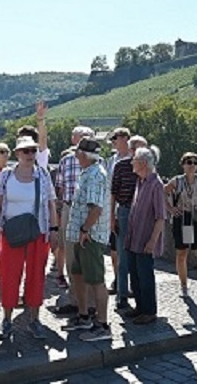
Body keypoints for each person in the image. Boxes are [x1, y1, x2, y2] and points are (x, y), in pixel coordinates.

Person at [0, 136, 59, 340]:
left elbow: (51, 204)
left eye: (32, 151)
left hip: (37, 233)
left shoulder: (43, 175)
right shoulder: (7, 175)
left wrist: (54, 230)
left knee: (36, 276)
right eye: (25, 151)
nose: (30, 154)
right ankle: (7, 319)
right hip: (11, 233)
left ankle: (34, 319)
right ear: (17, 153)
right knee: (9, 275)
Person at [61, 137, 112, 341]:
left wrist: (84, 230)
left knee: (96, 280)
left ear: (84, 155)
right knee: (79, 276)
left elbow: (96, 208)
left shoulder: (95, 175)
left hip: (89, 237)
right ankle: (84, 317)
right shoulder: (88, 173)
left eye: (77, 153)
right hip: (83, 235)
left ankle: (103, 325)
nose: (75, 156)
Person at [124, 147, 166, 325]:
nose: (132, 163)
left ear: (142, 163)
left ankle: (149, 311)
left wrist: (152, 241)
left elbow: (161, 217)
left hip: (145, 239)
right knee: (135, 275)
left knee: (145, 276)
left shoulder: (156, 185)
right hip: (134, 238)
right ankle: (140, 307)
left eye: (134, 160)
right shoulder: (139, 182)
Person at [165, 152, 197, 299]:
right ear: (183, 164)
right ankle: (184, 286)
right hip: (182, 219)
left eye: (194, 162)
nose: (192, 165)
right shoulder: (176, 181)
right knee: (182, 253)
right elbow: (161, 192)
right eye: (188, 162)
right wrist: (170, 208)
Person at [53, 125, 95, 299]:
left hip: (90, 210)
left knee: (89, 254)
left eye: (87, 137)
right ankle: (74, 297)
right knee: (71, 253)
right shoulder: (66, 160)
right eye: (81, 137)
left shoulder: (97, 163)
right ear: (74, 140)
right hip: (70, 208)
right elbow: (60, 188)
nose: (84, 140)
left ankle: (89, 301)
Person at [108, 130, 138, 309]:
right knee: (122, 255)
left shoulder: (147, 166)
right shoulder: (119, 165)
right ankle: (122, 295)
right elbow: (113, 193)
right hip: (124, 211)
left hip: (141, 214)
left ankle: (135, 292)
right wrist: (112, 216)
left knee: (138, 255)